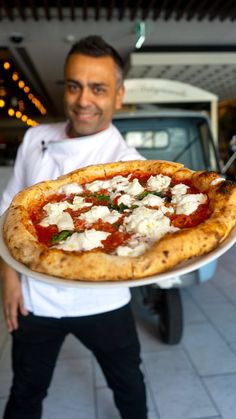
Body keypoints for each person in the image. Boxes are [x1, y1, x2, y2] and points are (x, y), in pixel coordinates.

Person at [0, 36, 147, 419]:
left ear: (118, 95)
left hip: (104, 301)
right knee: (25, 390)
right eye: (74, 86)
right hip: (37, 300)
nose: (84, 100)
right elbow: (8, 212)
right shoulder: (35, 138)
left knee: (128, 385)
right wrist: (9, 278)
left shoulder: (132, 167)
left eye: (98, 88)